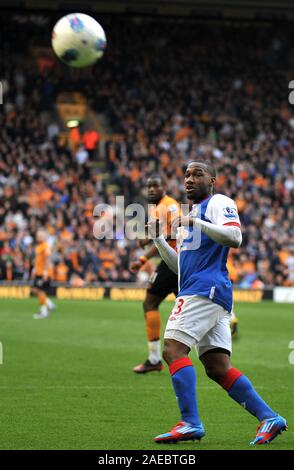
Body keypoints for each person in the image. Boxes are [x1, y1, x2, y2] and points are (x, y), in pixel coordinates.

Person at [148, 161, 287, 445]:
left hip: (204, 291)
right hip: (204, 291)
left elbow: (235, 237)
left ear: (213, 180)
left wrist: (197, 222)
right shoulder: (190, 217)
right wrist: (159, 240)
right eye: (186, 174)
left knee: (173, 349)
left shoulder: (218, 202)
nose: (190, 179)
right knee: (217, 366)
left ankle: (189, 422)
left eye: (198, 174)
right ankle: (269, 417)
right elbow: (180, 267)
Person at [129, 175, 180, 373]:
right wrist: (143, 259)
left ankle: (154, 359)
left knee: (150, 303)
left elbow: (175, 232)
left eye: (155, 186)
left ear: (164, 187)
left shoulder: (171, 205)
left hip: (174, 260)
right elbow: (160, 240)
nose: (151, 189)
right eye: (148, 186)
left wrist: (150, 238)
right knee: (187, 308)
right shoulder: (156, 208)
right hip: (171, 260)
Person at [31, 229, 56, 319]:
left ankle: (44, 312)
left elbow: (47, 259)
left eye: (40, 236)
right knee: (35, 290)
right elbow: (38, 259)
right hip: (38, 272)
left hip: (43, 272)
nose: (38, 237)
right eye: (38, 236)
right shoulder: (39, 246)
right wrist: (34, 269)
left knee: (40, 291)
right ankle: (49, 304)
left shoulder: (45, 246)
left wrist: (45, 271)